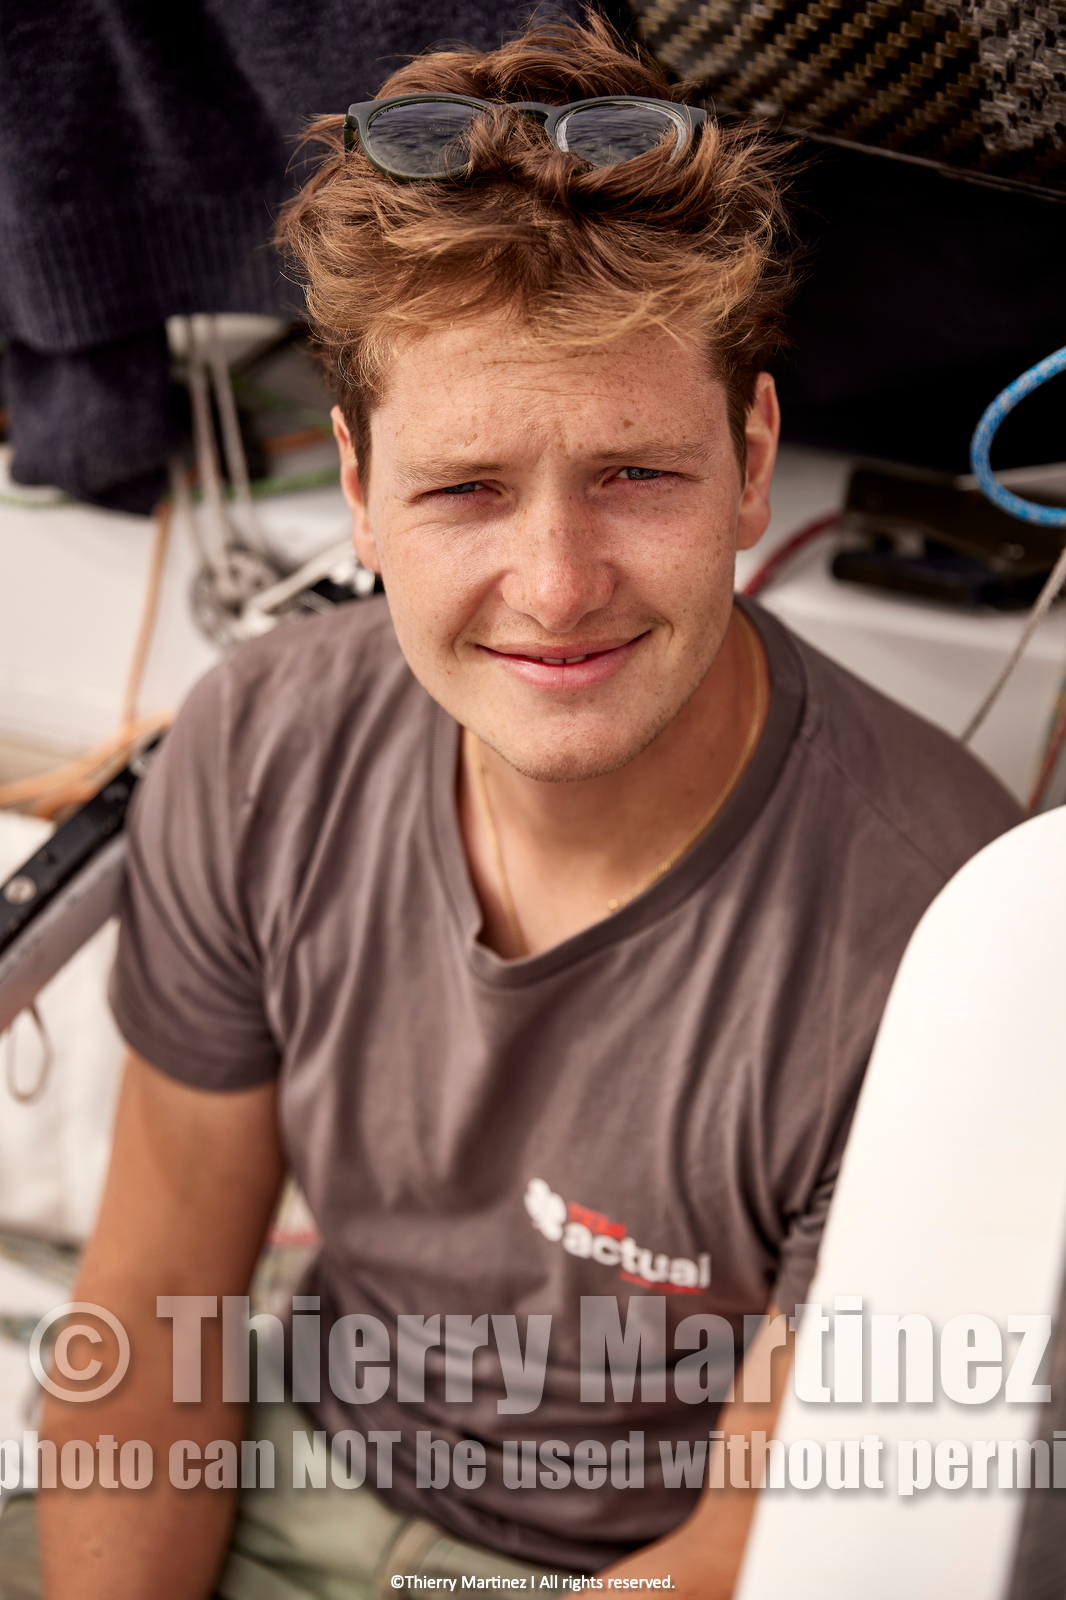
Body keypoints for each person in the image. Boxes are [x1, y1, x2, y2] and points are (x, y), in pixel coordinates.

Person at [13, 15, 1021, 1600]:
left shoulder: (942, 939)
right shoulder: (259, 744)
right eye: (465, 489)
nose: (555, 589)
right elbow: (147, 1323)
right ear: (361, 491)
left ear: (751, 458)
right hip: (288, 1460)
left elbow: (752, 1544)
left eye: (635, 476)